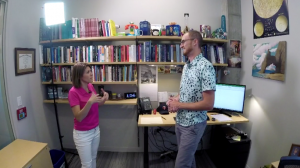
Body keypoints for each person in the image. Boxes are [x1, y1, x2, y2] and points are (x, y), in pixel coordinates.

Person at [167, 30, 216, 168]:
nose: (181, 45)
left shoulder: (206, 67)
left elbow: (208, 104)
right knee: (189, 160)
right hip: (180, 121)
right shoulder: (187, 66)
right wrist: (174, 100)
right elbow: (185, 92)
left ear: (195, 42)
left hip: (193, 125)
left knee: (181, 165)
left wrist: (179, 104)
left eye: (183, 41)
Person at [68, 62, 109, 168]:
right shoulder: (73, 92)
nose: (91, 74)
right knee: (86, 164)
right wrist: (89, 102)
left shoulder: (90, 86)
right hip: (83, 134)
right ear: (80, 76)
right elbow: (79, 117)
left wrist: (104, 99)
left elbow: (96, 105)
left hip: (95, 130)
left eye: (91, 71)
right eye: (88, 72)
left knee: (93, 159)